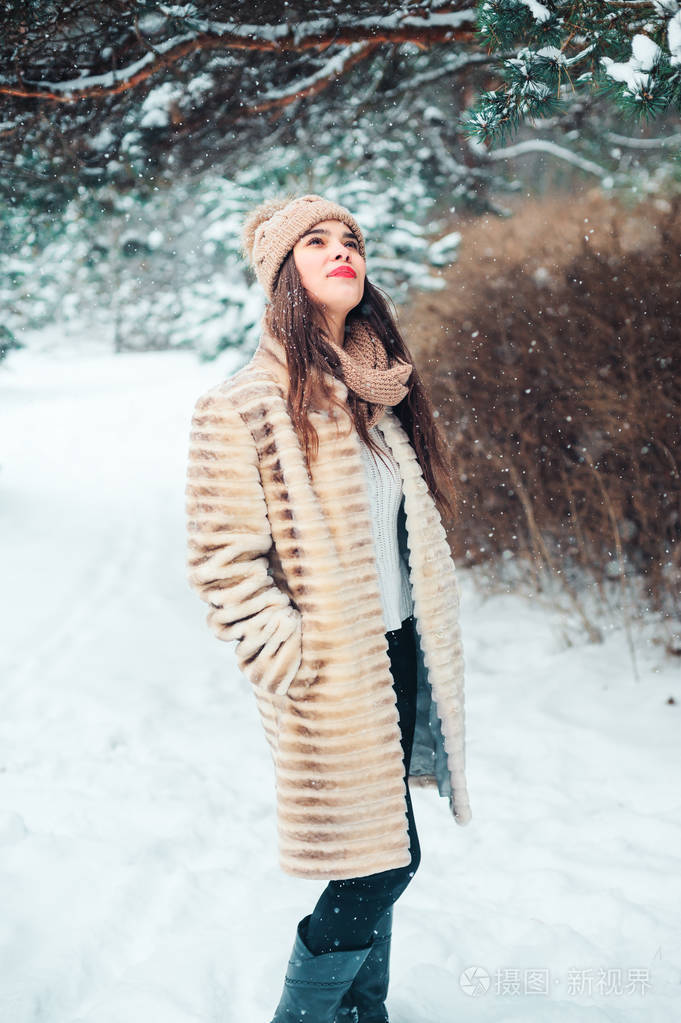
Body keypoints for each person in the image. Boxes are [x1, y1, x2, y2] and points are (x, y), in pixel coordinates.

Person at [184, 193, 472, 1023]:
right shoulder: (240, 405)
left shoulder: (375, 392)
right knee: (385, 864)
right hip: (330, 670)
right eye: (316, 240)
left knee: (377, 851)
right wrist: (293, 654)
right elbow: (221, 563)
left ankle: (359, 1014)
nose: (341, 248)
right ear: (284, 271)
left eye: (350, 237)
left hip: (399, 652)